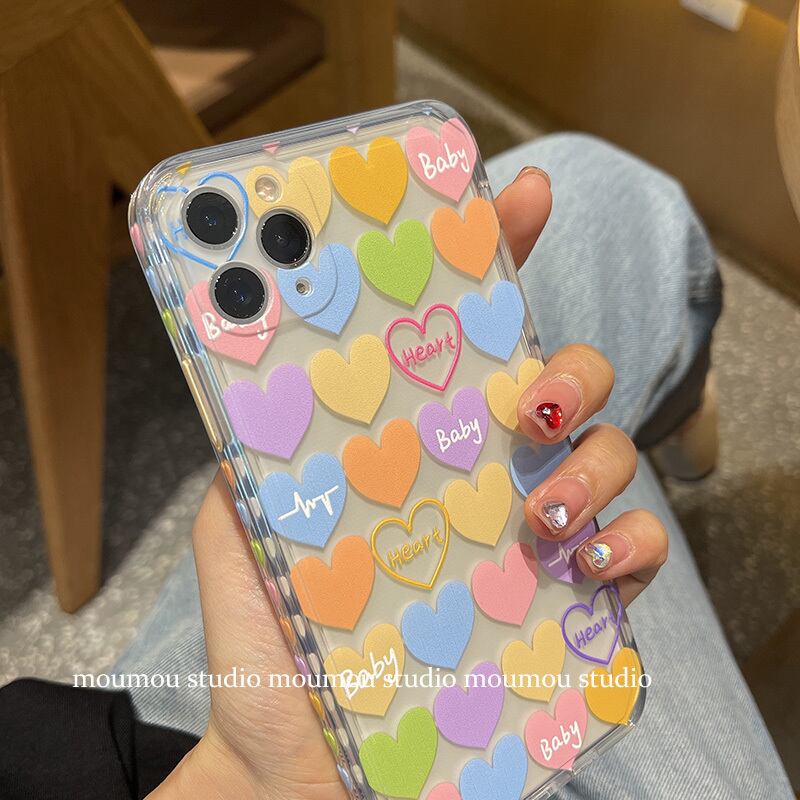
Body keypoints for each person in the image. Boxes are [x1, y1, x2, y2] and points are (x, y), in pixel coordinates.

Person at [11, 134, 793, 799]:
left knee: (567, 218)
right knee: (610, 203)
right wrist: (251, 778)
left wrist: (249, 778)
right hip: (231, 740)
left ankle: (669, 411)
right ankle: (674, 408)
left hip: (135, 745)